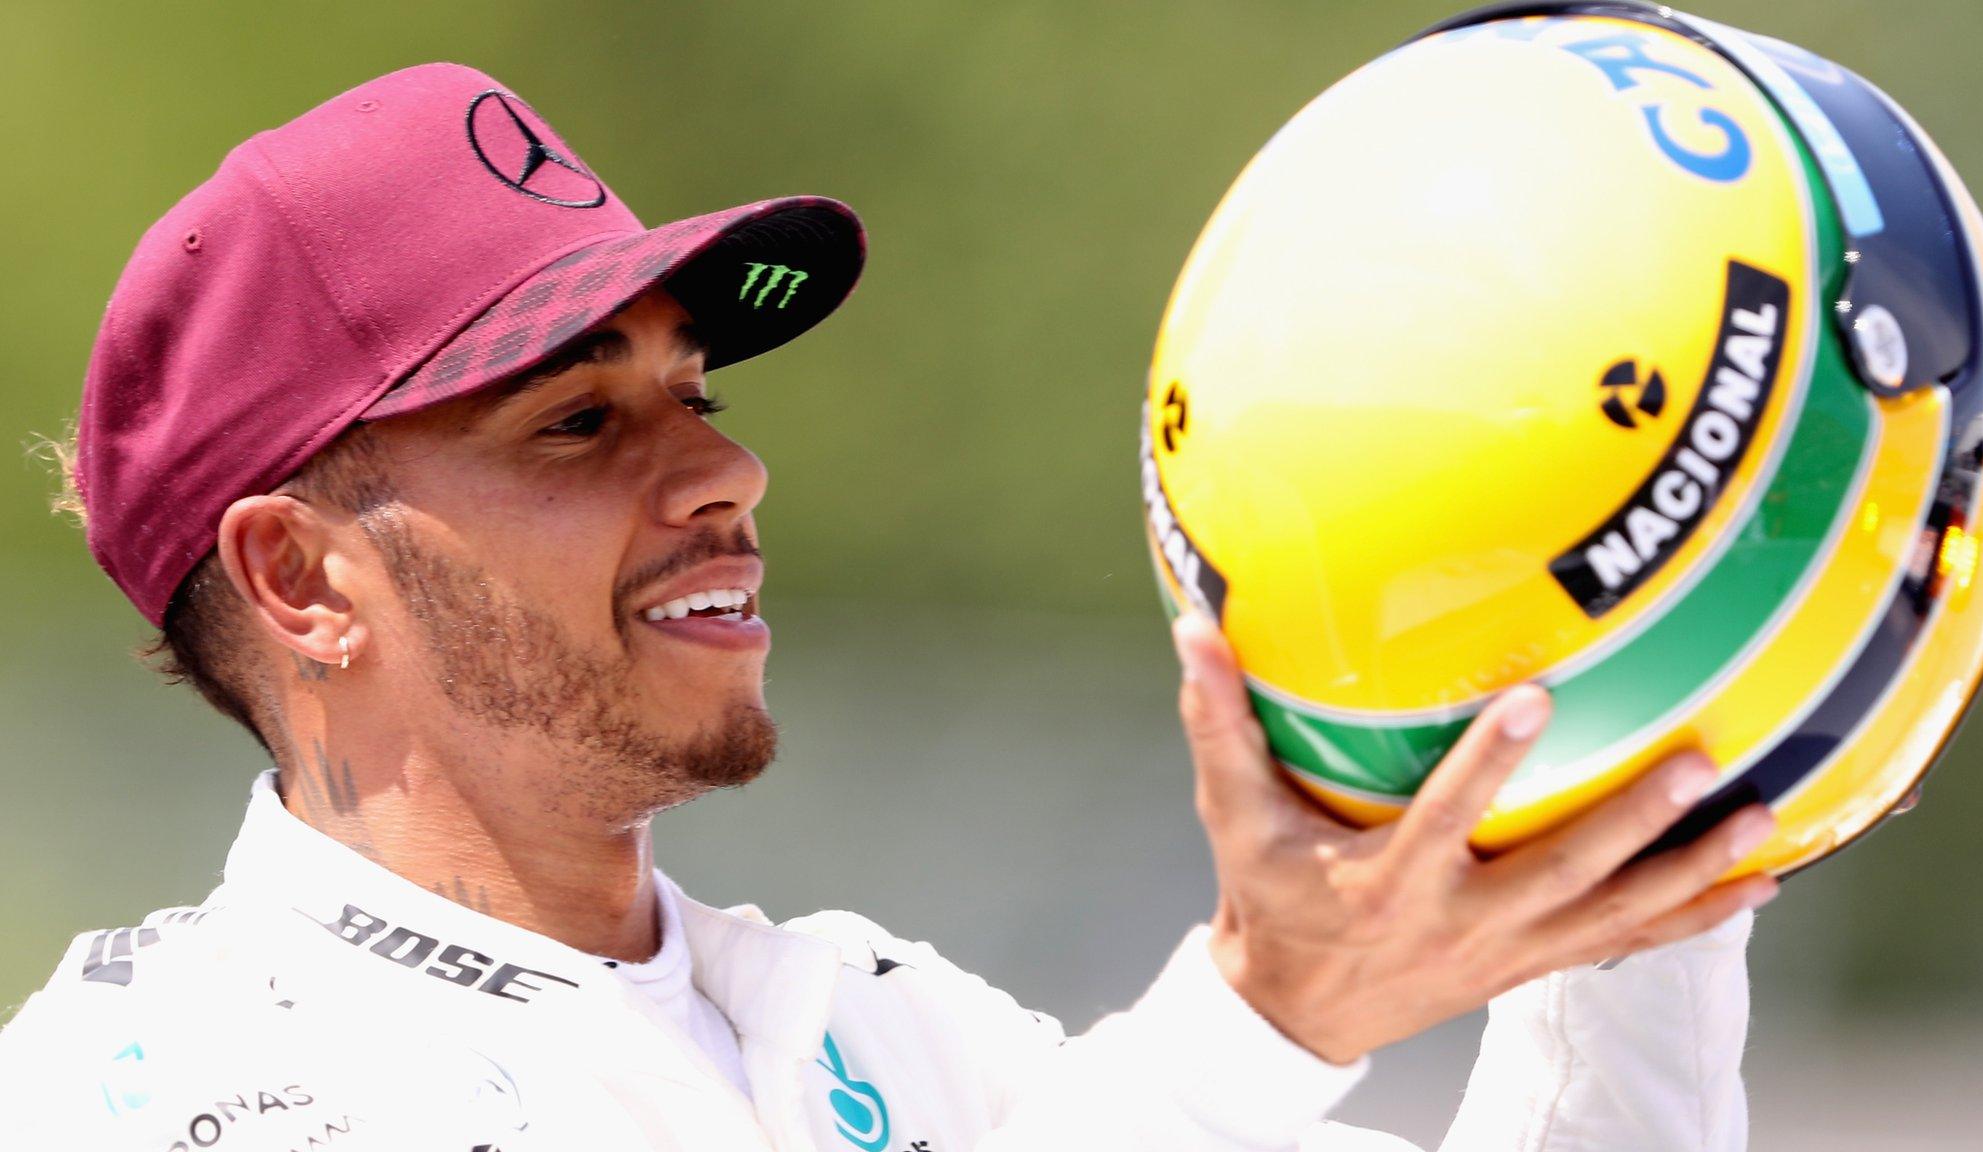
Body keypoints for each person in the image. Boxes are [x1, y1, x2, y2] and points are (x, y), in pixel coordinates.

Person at [0, 63, 1778, 1151]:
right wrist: (1255, 1019)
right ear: (306, 578)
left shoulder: (861, 1022)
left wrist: (1651, 875)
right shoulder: (143, 1098)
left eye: (701, 393)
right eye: (577, 422)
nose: (722, 475)